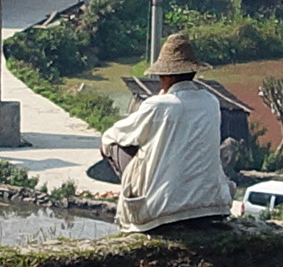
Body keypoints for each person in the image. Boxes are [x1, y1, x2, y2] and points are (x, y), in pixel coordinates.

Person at [100, 34, 234, 232]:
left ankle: (135, 201)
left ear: (168, 76)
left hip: (161, 210)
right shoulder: (211, 102)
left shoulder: (157, 106)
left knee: (111, 144)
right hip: (211, 206)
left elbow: (117, 134)